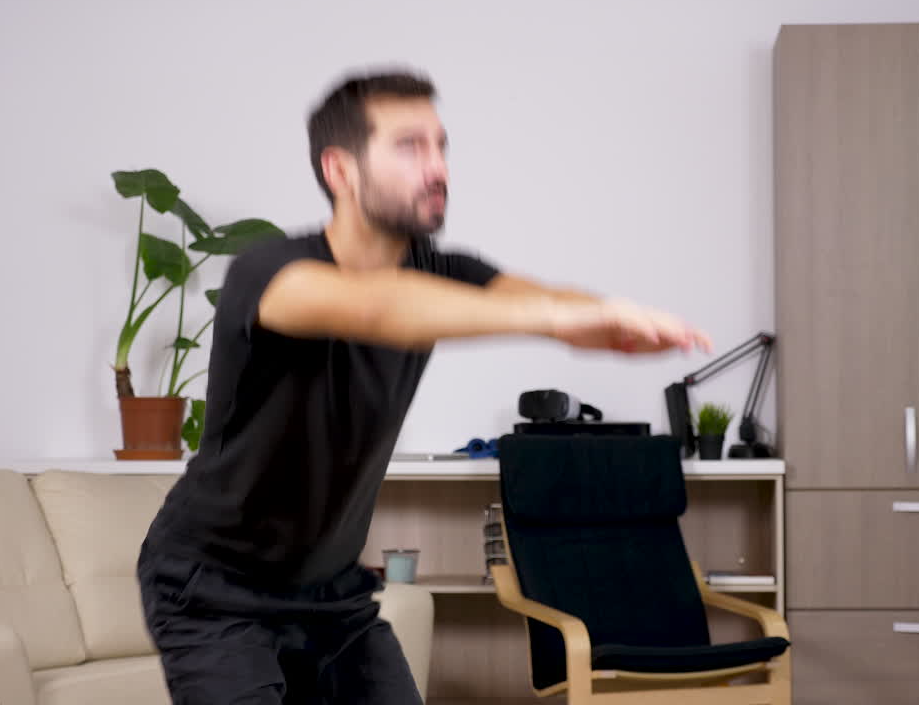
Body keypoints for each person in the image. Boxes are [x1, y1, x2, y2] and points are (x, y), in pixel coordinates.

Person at [136, 69, 711, 705]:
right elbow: (381, 308)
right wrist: (558, 320)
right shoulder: (272, 273)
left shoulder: (443, 269)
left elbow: (534, 296)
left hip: (330, 595)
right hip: (212, 588)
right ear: (341, 170)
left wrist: (606, 317)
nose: (437, 167)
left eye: (442, 146)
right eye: (411, 147)